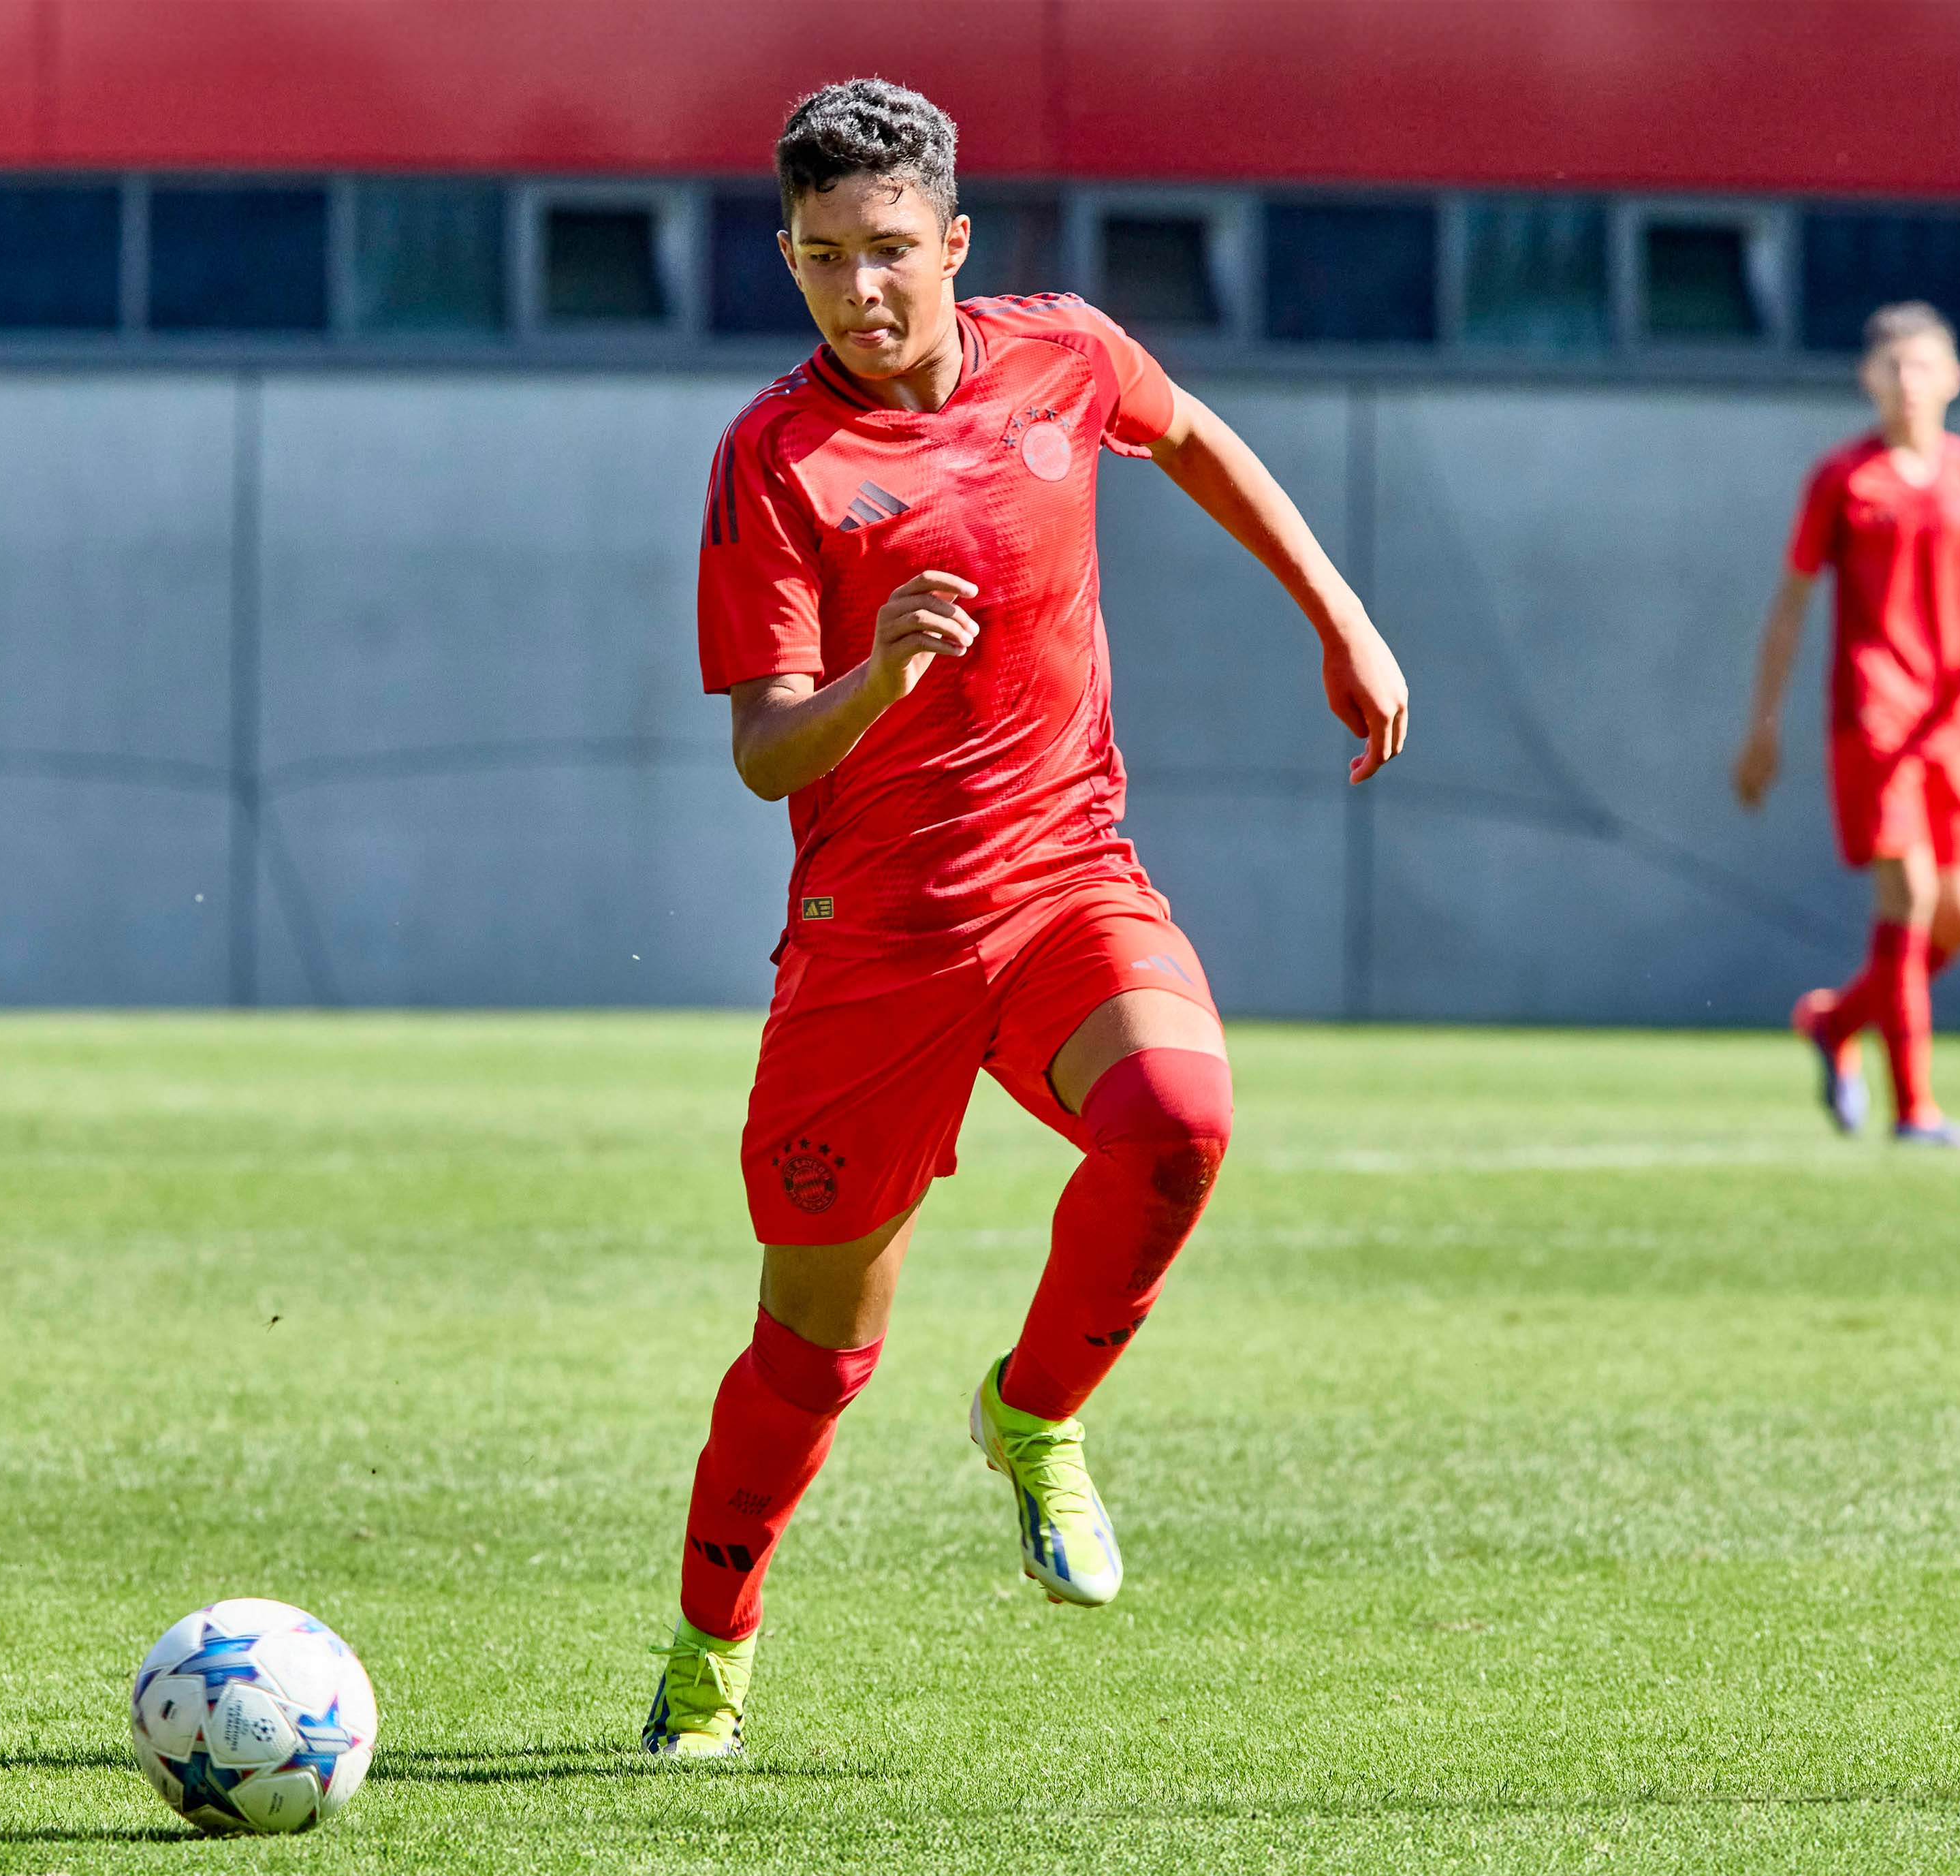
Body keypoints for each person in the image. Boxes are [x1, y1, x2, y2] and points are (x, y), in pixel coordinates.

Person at [644, 78, 1410, 1757]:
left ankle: (1032, 1410)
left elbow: (1191, 434)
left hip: (1066, 880)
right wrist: (883, 672)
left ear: (955, 243)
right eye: (824, 255)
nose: (861, 288)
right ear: (786, 255)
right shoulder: (773, 458)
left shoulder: (1061, 352)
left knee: (1180, 1121)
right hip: (873, 942)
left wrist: (1339, 618)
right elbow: (767, 749)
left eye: (891, 250)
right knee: (811, 1360)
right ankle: (710, 1654)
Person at [1734, 300, 1960, 1147]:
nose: (1907, 382)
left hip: (1953, 722)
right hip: (1873, 712)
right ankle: (1916, 1110)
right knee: (1909, 897)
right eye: (1892, 367)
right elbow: (1791, 607)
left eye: (1922, 366)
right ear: (1869, 378)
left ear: (1953, 377)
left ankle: (1837, 1022)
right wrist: (1764, 725)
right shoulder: (1843, 480)